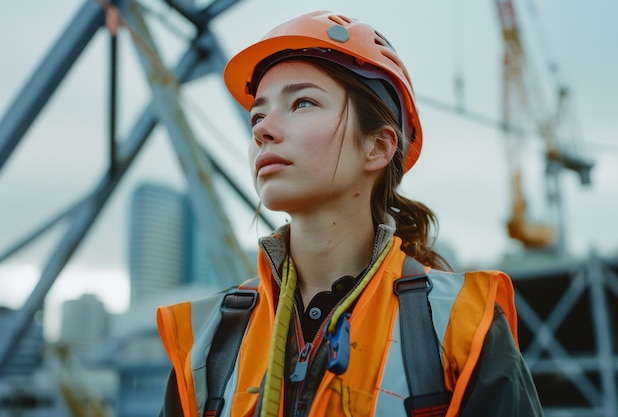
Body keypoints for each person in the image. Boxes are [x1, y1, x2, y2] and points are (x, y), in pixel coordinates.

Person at [156, 10, 544, 417]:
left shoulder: (465, 327)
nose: (261, 130)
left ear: (378, 146)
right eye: (258, 114)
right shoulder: (208, 340)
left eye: (302, 102)